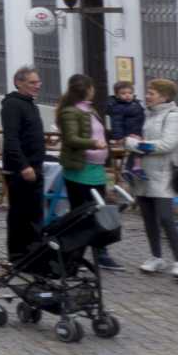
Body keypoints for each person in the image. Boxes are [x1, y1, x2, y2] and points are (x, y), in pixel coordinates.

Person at [55, 73, 122, 270]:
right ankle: (74, 255)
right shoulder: (70, 111)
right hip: (80, 170)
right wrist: (94, 143)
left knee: (99, 211)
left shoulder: (91, 110)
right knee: (81, 214)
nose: (94, 90)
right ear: (86, 89)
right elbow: (71, 139)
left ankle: (101, 253)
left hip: (97, 170)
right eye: (92, 87)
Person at [130, 77, 178, 281]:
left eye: (151, 93)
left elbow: (167, 145)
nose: (147, 96)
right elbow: (151, 142)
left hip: (163, 175)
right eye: (148, 92)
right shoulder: (150, 114)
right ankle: (156, 257)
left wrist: (136, 145)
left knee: (165, 218)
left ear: (164, 97)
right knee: (148, 217)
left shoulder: (173, 116)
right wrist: (139, 142)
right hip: (144, 173)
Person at [1, 66, 47, 264]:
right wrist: (23, 165)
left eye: (38, 82)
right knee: (20, 215)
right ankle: (18, 256)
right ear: (19, 83)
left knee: (34, 214)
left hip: (35, 167)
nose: (37, 86)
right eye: (32, 82)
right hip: (21, 170)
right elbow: (11, 139)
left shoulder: (31, 105)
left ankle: (32, 254)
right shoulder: (12, 105)